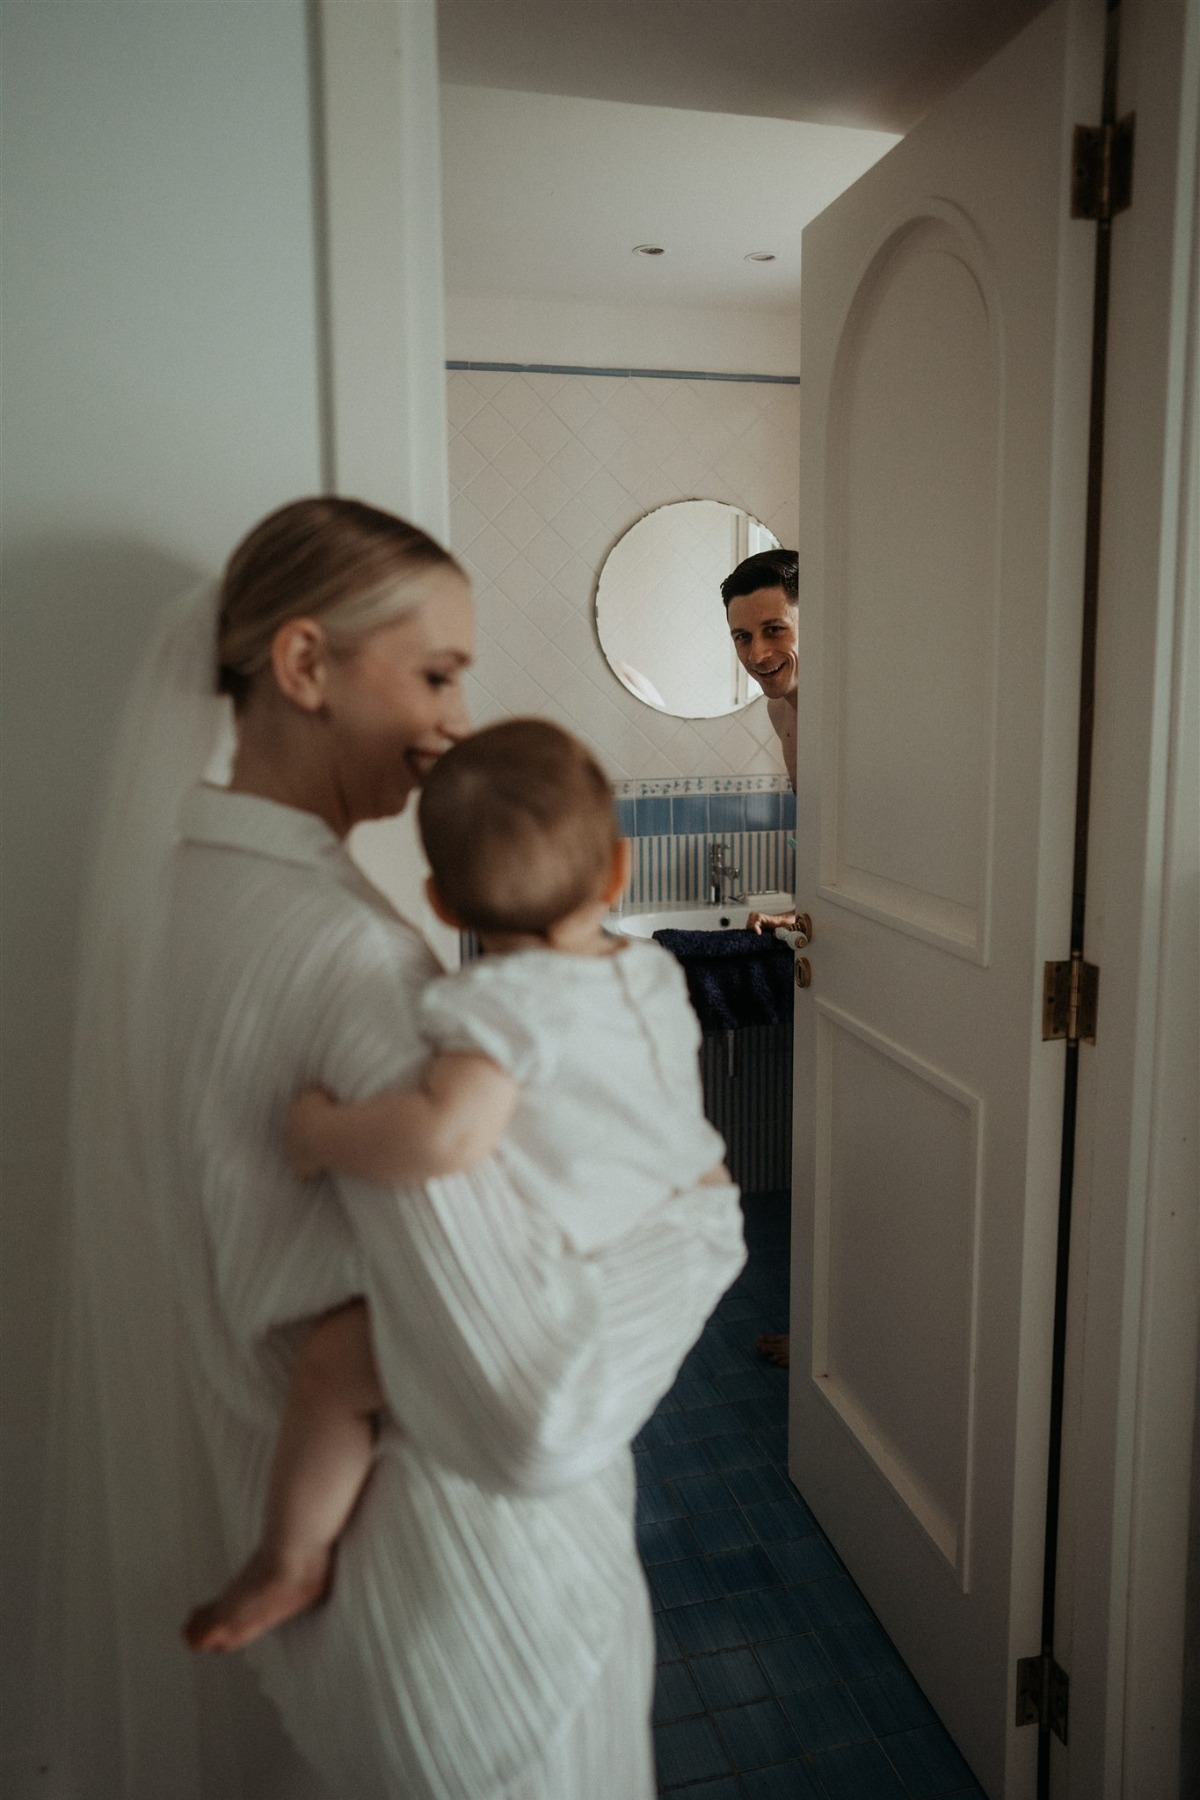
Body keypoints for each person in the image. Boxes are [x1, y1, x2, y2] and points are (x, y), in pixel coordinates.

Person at [47, 496, 746, 1800]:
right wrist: (705, 1231)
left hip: (340, 1558)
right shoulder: (359, 968)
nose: (457, 722)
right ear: (307, 666)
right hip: (479, 1605)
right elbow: (530, 1414)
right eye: (436, 672)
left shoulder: (175, 894)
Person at [185, 717, 731, 1654]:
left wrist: (321, 1134)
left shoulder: (503, 1006)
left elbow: (445, 1135)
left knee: (329, 1370)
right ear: (618, 872)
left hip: (572, 1317)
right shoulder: (652, 975)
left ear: (439, 902)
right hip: (688, 1248)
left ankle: (291, 1558)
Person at [722, 546, 801, 1368]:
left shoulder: (857, 705)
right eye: (741, 639)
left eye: (773, 629)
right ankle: (828, 1332)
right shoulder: (784, 711)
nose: (756, 656)